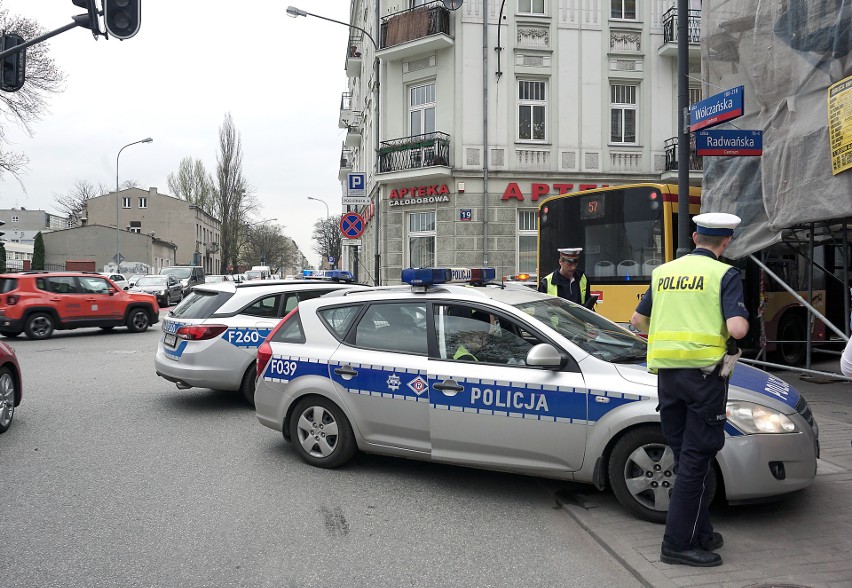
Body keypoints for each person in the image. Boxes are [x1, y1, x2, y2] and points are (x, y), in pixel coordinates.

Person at [630, 212, 749, 568]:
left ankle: (701, 532)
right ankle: (676, 545)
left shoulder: (663, 273)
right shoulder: (724, 274)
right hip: (704, 380)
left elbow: (637, 321)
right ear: (725, 242)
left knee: (685, 456)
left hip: (668, 378)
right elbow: (738, 329)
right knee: (695, 462)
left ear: (695, 237)